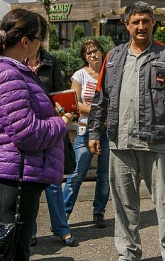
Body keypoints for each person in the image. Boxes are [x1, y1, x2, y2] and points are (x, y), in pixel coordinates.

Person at [88, 1, 165, 261]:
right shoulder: (113, 57)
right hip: (120, 141)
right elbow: (101, 97)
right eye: (135, 21)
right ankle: (128, 253)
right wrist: (93, 132)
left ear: (153, 23)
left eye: (145, 21)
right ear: (126, 24)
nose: (141, 26)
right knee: (124, 206)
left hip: (155, 141)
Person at [0, 8, 69, 261]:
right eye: (40, 38)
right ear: (26, 42)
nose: (41, 44)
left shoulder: (9, 71)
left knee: (9, 249)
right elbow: (27, 133)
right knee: (10, 251)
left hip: (13, 172)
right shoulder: (7, 73)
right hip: (14, 175)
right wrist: (60, 122)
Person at [26, 41, 78, 247]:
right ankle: (30, 231)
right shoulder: (16, 62)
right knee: (30, 182)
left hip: (50, 126)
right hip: (28, 126)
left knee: (54, 183)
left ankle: (62, 229)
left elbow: (58, 91)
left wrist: (62, 110)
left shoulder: (50, 62)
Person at [63, 39, 109, 227]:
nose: (93, 55)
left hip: (106, 131)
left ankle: (99, 212)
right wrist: (99, 111)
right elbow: (76, 104)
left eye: (96, 51)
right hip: (85, 130)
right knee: (76, 175)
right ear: (84, 57)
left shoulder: (108, 74)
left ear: (101, 52)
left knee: (104, 175)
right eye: (89, 53)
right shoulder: (79, 75)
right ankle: (63, 215)